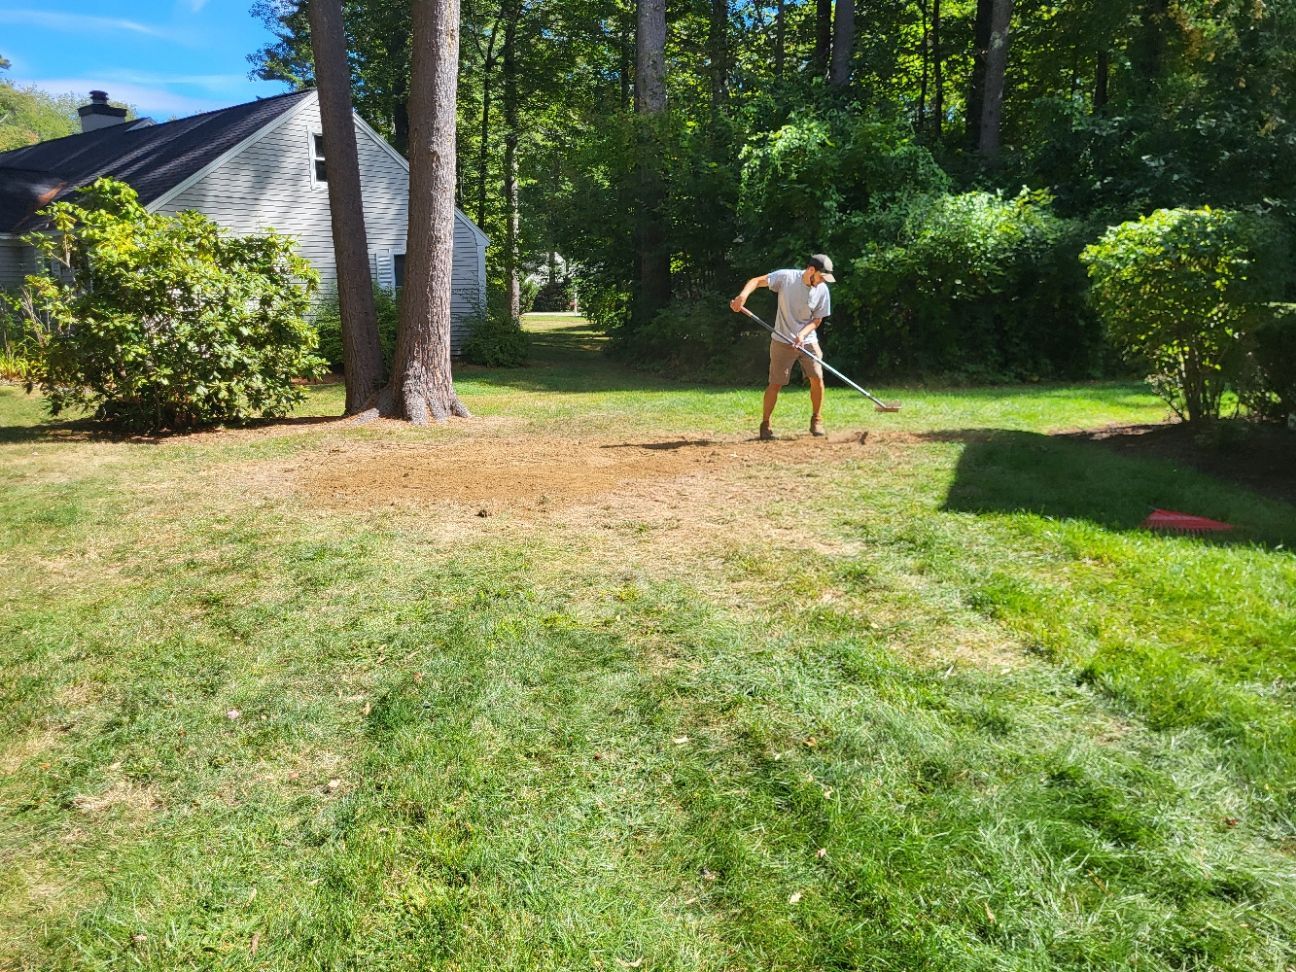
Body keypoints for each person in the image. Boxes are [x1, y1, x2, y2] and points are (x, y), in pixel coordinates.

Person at [730, 254, 835, 440]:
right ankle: (765, 424)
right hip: (782, 340)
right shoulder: (787, 278)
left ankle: (816, 420)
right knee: (775, 383)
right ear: (811, 270)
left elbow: (817, 320)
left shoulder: (822, 290)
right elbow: (756, 281)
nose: (821, 282)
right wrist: (742, 296)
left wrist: (802, 335)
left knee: (817, 377)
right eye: (821, 277)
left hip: (808, 340)